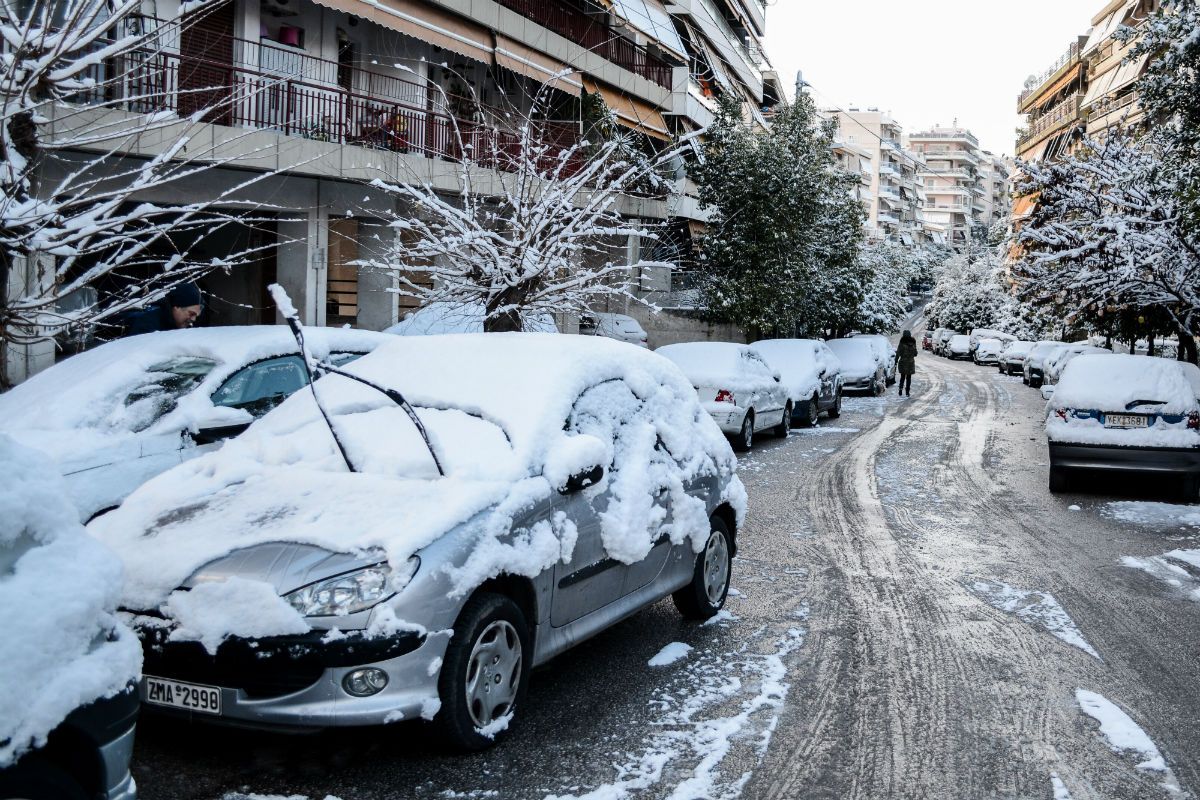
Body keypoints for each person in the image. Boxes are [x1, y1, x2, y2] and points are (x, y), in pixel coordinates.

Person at [120, 282, 204, 337]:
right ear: (176, 307)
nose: (193, 319)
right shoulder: (147, 326)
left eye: (196, 316)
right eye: (191, 313)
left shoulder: (182, 329)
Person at [895, 329, 918, 396]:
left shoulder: (902, 343)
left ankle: (900, 390)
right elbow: (915, 353)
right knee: (909, 377)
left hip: (903, 362)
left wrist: (896, 361)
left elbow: (898, 353)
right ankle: (907, 391)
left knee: (902, 377)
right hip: (910, 362)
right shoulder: (913, 342)